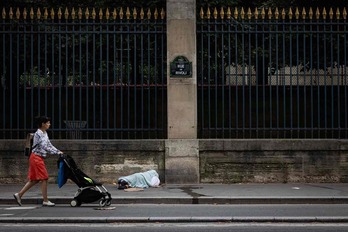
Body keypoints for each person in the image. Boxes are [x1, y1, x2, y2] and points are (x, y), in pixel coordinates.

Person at [14, 116, 63, 207]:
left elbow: (49, 144)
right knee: (44, 178)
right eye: (47, 123)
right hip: (36, 158)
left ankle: (19, 195)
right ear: (43, 124)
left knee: (35, 180)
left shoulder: (45, 133)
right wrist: (57, 152)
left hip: (38, 158)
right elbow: (45, 147)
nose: (49, 124)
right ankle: (45, 200)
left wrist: (58, 151)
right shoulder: (38, 134)